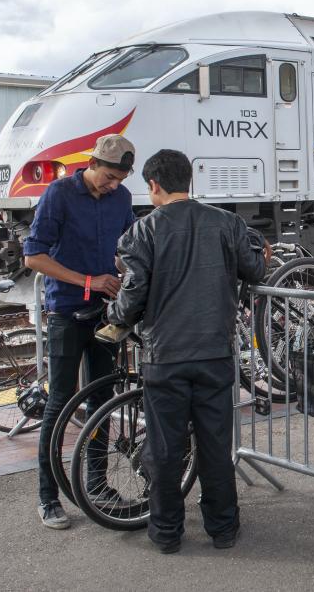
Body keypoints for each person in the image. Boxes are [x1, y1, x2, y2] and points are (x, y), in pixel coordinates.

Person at [108, 149, 268, 554]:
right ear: (189, 180)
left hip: (165, 357)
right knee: (215, 445)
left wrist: (113, 314)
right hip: (214, 353)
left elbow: (132, 294)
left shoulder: (142, 232)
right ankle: (223, 529)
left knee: (165, 449)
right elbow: (255, 271)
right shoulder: (227, 223)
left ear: (154, 185)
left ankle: (166, 533)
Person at [23, 134, 137, 529]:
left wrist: (126, 276)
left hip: (105, 314)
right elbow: (34, 256)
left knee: (102, 398)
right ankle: (48, 496)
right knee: (59, 401)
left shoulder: (121, 199)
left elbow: (127, 250)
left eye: (120, 179)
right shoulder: (58, 194)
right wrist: (88, 281)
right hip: (67, 313)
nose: (113, 185)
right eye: (108, 177)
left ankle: (98, 486)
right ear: (91, 164)